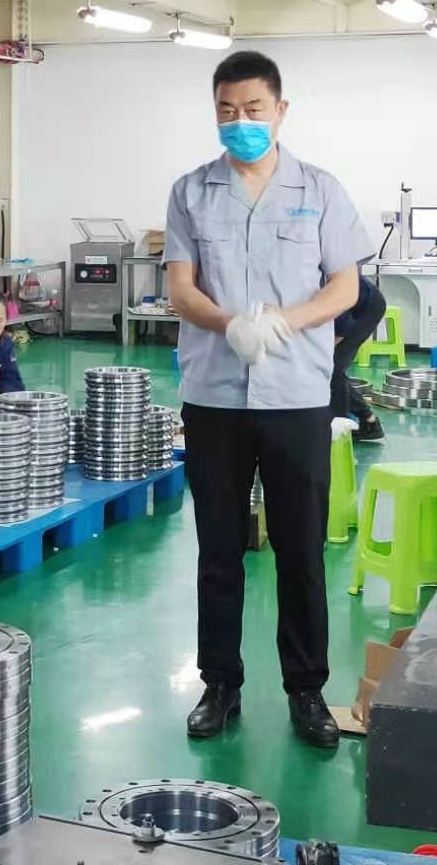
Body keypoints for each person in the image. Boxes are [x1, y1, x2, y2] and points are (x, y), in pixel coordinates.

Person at [161, 50, 373, 749]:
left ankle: (306, 690)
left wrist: (284, 321)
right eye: (227, 111)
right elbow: (181, 288)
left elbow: (345, 287)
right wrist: (230, 324)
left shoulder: (321, 190)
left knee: (300, 549)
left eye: (253, 109)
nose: (240, 122)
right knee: (219, 549)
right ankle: (220, 684)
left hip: (297, 394)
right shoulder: (191, 192)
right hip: (214, 396)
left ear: (280, 110)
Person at [329, 274, 388, 442]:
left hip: (366, 307)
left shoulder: (318, 281)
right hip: (347, 305)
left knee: (331, 366)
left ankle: (355, 427)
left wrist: (323, 350)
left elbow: (342, 326)